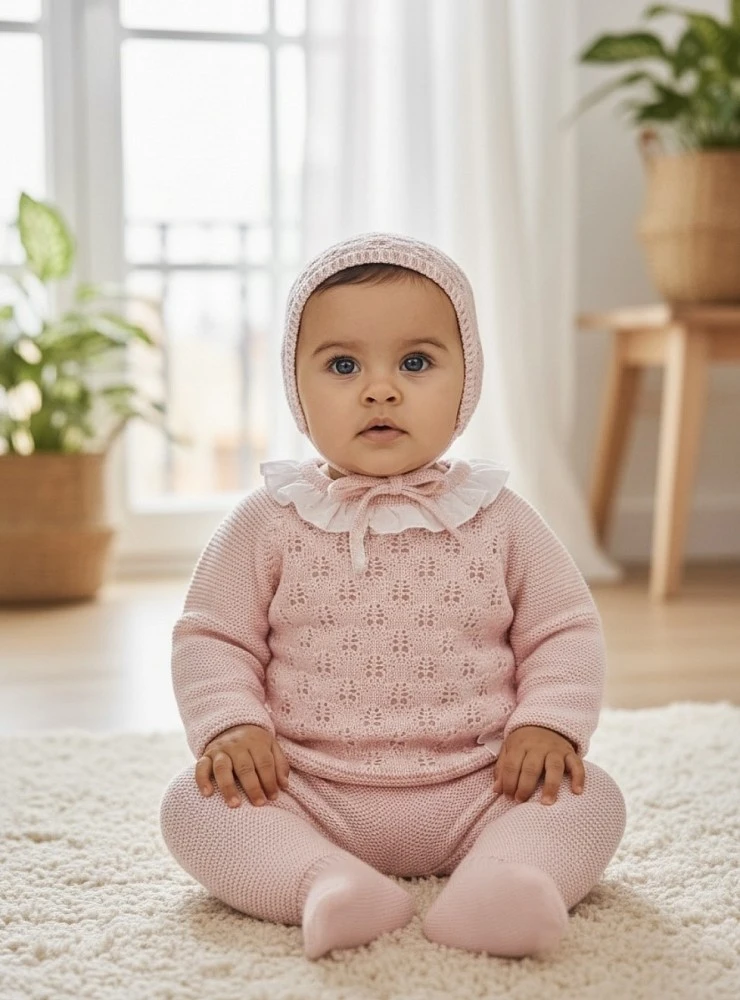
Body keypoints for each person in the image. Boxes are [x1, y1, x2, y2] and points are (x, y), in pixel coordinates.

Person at [159, 232, 626, 962]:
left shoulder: (498, 516)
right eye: (343, 365)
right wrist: (229, 728)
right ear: (296, 385)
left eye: (416, 362)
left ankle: (505, 879)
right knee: (194, 808)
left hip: (481, 781)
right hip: (308, 787)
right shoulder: (268, 521)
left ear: (466, 379)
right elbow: (213, 636)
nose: (381, 389)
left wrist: (550, 725)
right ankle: (324, 883)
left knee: (591, 798)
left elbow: (562, 629)